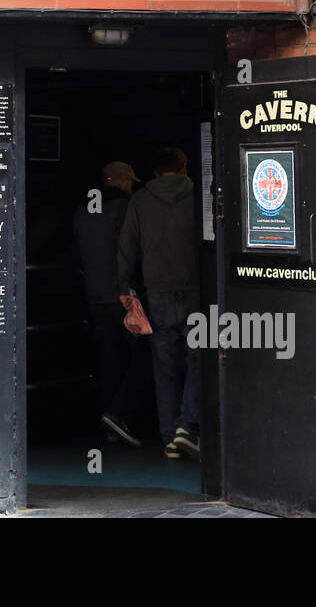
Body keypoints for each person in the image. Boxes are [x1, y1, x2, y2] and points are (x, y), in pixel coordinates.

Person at [117, 146, 201, 460]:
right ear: (184, 166)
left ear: (154, 172)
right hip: (195, 289)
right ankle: (187, 425)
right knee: (199, 360)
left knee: (164, 367)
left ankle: (169, 438)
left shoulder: (139, 200)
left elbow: (126, 247)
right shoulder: (198, 194)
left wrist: (125, 288)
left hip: (156, 293)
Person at [72, 161, 146, 444]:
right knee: (143, 355)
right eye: (129, 183)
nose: (131, 188)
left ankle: (111, 423)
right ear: (119, 181)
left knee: (109, 358)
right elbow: (130, 250)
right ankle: (120, 414)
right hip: (123, 296)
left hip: (94, 294)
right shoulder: (122, 208)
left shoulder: (82, 210)